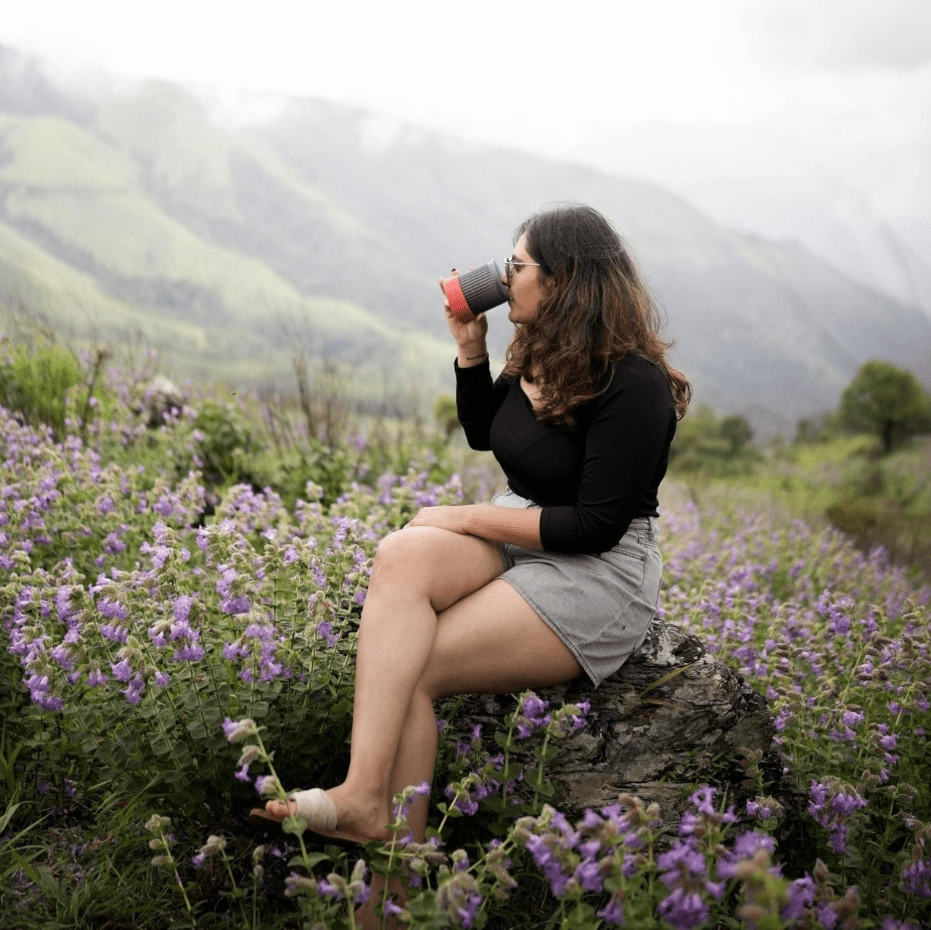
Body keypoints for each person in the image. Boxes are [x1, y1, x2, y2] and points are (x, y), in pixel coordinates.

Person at [253, 202, 690, 854]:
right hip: (520, 525)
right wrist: (469, 348)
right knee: (400, 554)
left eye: (517, 265)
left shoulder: (634, 384)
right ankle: (364, 797)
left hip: (598, 570)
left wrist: (461, 515)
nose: (503, 276)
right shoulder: (540, 347)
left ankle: (385, 860)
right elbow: (488, 430)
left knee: (415, 666)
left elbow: (594, 526)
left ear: (563, 280)